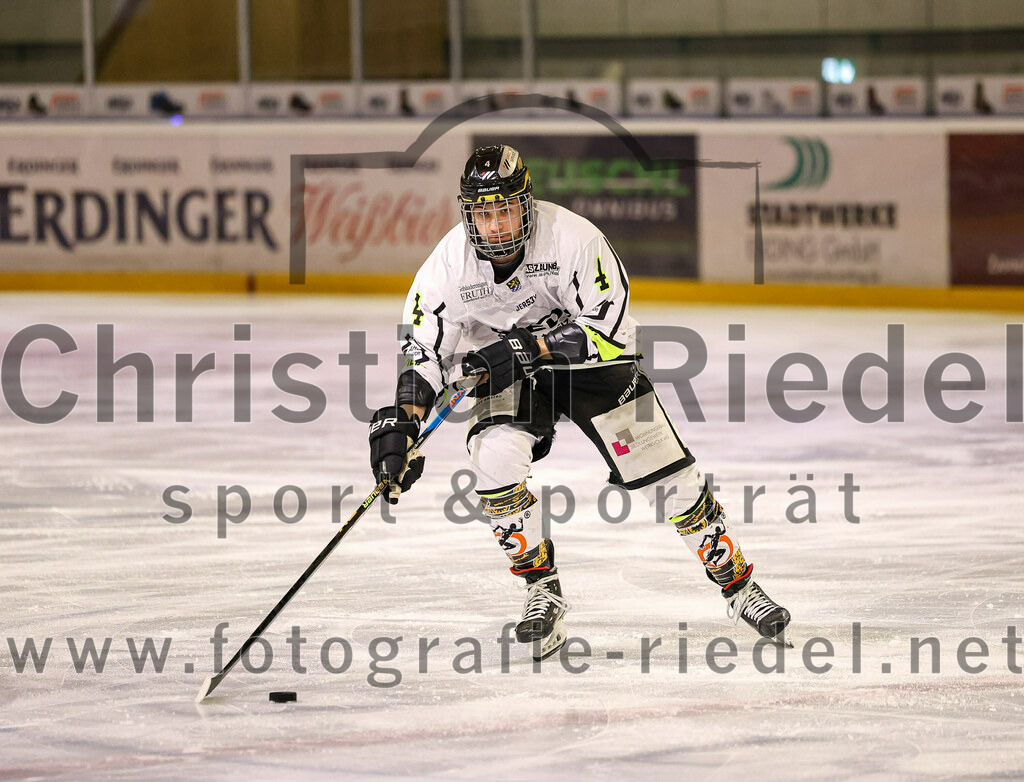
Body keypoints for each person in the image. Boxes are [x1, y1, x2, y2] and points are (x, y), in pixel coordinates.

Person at [368, 144, 790, 660]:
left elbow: (611, 331)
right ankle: (541, 588)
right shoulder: (447, 266)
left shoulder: (575, 239)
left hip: (590, 364)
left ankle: (740, 586)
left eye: (505, 210)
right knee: (494, 457)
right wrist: (403, 424)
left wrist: (531, 346)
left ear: (527, 204)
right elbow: (424, 352)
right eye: (483, 213)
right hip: (507, 370)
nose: (495, 227)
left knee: (666, 473)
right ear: (467, 214)